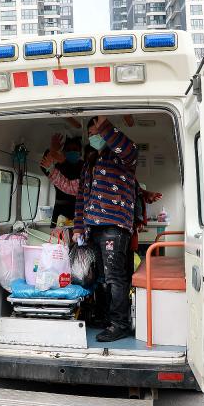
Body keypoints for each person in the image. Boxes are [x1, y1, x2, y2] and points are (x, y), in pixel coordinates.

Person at [72, 116, 139, 342]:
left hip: (115, 225)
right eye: (91, 133)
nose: (94, 136)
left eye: (98, 132)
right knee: (100, 277)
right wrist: (78, 227)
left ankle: (120, 323)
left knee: (114, 277)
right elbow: (81, 197)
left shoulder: (121, 157)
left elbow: (130, 150)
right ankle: (105, 317)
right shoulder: (89, 162)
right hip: (93, 227)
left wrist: (106, 126)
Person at [41, 134, 84, 227]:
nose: (72, 152)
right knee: (56, 235)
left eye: (75, 149)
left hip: (78, 209)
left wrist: (63, 161)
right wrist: (52, 150)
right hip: (59, 210)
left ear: (80, 152)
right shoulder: (58, 166)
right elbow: (44, 166)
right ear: (64, 152)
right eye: (68, 149)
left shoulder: (84, 166)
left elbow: (74, 177)